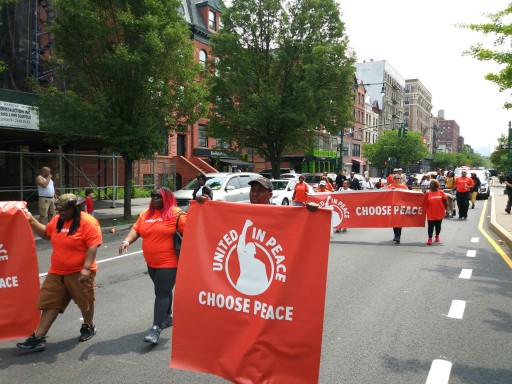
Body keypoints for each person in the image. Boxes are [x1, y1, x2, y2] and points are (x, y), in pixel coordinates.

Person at [17, 194, 102, 352]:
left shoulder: (88, 222)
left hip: (79, 272)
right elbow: (45, 234)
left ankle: (88, 326)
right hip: (57, 272)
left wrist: (86, 268)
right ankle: (39, 337)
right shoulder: (57, 220)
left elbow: (93, 245)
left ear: (74, 208)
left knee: (85, 302)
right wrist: (31, 220)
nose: (59, 212)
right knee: (50, 302)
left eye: (63, 210)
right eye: (58, 210)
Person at [119, 186, 186, 345]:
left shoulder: (177, 214)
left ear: (167, 198)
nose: (154, 198)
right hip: (151, 263)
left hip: (169, 262)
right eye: (152, 195)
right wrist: (126, 241)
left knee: (161, 292)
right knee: (163, 289)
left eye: (159, 196)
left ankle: (155, 329)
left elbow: (195, 230)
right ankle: (167, 317)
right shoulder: (146, 214)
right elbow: (136, 229)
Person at [386, 174, 408, 244]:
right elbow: (385, 195)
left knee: (399, 221)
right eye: (395, 178)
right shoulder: (390, 186)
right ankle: (395, 234)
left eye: (398, 178)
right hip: (392, 207)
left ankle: (398, 236)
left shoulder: (404, 187)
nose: (396, 179)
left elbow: (408, 195)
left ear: (400, 179)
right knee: (394, 222)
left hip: (400, 206)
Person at [425, 179, 448, 245]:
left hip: (439, 212)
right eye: (430, 184)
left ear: (436, 185)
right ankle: (430, 238)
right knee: (430, 226)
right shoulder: (428, 193)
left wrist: (446, 209)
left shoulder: (441, 192)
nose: (431, 185)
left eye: (432, 184)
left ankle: (437, 235)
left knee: (438, 226)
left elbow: (445, 201)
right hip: (430, 213)